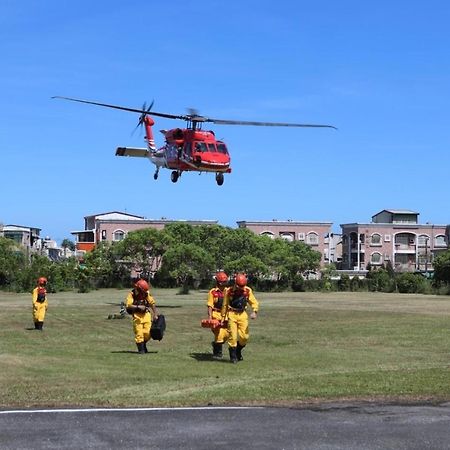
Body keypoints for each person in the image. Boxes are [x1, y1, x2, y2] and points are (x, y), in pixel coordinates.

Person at [221, 273, 259, 363]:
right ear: (235, 283)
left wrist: (254, 311)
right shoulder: (228, 291)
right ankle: (233, 357)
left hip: (242, 315)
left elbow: (254, 302)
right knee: (232, 337)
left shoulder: (247, 290)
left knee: (244, 337)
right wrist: (223, 317)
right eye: (240, 286)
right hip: (231, 314)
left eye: (243, 286)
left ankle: (238, 350)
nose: (242, 287)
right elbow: (225, 304)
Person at [125, 278, 159, 354]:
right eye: (143, 290)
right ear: (139, 288)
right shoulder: (131, 294)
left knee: (148, 333)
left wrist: (155, 314)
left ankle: (143, 344)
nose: (144, 292)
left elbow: (152, 303)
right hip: (137, 316)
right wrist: (138, 307)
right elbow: (128, 305)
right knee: (139, 333)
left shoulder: (146, 293)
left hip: (146, 315)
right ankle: (141, 350)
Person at [206, 271, 230, 359]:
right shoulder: (212, 292)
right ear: (219, 282)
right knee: (219, 333)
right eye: (223, 282)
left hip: (226, 315)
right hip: (215, 314)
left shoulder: (228, 291)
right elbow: (210, 305)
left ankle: (216, 344)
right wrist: (210, 317)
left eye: (225, 282)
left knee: (227, 334)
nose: (225, 284)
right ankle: (217, 353)